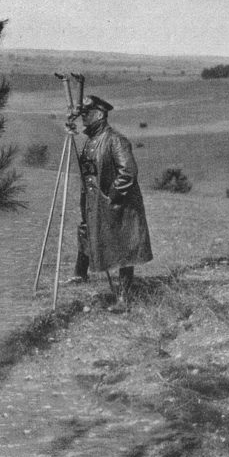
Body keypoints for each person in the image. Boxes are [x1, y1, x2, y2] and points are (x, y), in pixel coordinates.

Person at [72, 95, 152, 304]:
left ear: (99, 115)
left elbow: (128, 171)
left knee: (125, 244)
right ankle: (80, 275)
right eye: (83, 115)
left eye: (87, 115)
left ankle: (124, 293)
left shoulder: (114, 140)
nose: (83, 118)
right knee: (86, 232)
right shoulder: (91, 141)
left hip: (118, 205)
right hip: (92, 200)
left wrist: (112, 197)